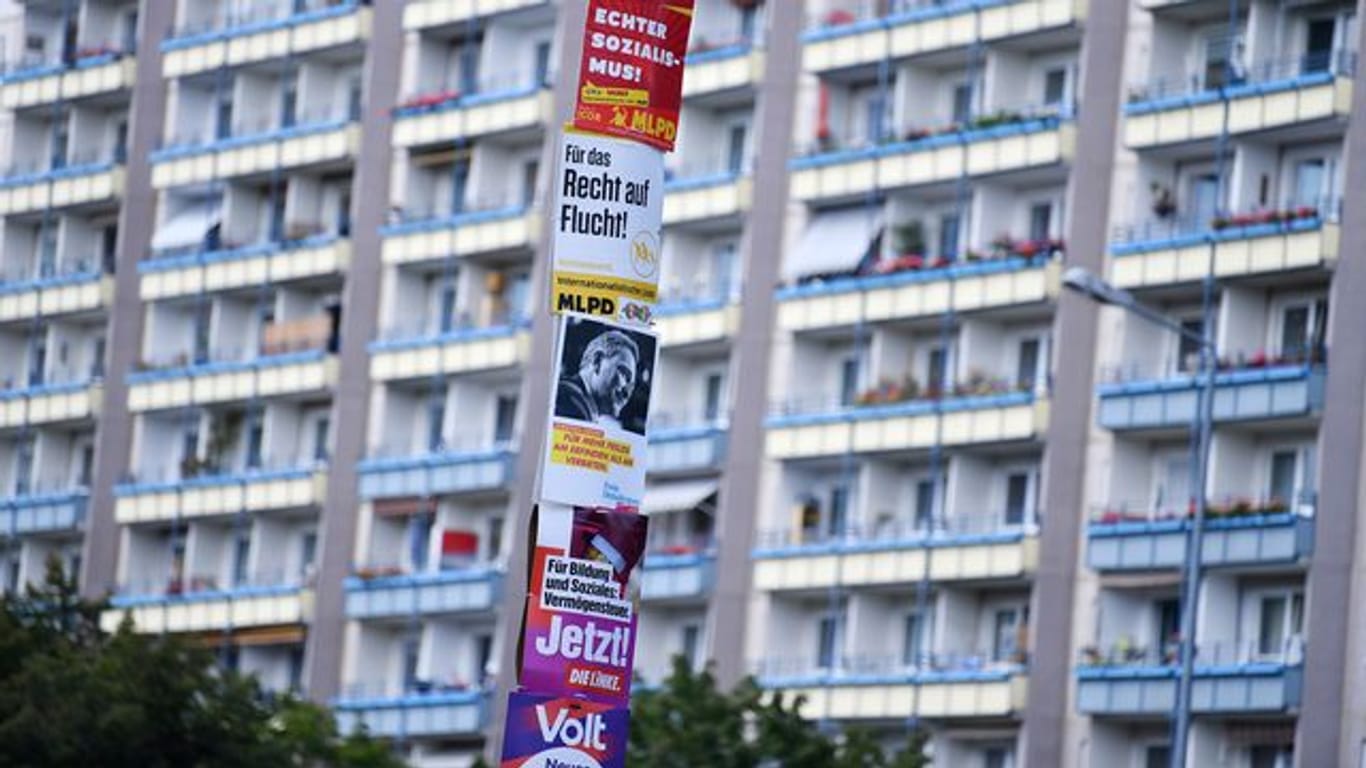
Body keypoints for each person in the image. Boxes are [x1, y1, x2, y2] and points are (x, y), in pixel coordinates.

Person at [557, 329, 640, 425]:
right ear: (597, 361)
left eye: (631, 385)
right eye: (624, 374)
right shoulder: (570, 404)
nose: (627, 393)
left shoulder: (581, 408)